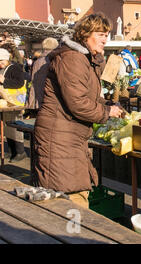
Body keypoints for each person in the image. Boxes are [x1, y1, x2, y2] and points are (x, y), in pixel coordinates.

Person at [34, 13, 123, 208]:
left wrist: (106, 106)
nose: (105, 39)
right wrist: (107, 113)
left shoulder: (84, 59)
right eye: (100, 34)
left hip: (69, 135)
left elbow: (88, 96)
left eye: (106, 34)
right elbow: (78, 103)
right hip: (59, 137)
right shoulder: (73, 59)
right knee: (71, 200)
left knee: (75, 194)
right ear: (85, 34)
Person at [0, 47, 27, 163]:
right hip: (6, 103)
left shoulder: (15, 68)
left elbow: (19, 83)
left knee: (15, 125)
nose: (0, 63)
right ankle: (11, 151)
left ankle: (20, 152)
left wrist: (4, 81)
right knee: (7, 126)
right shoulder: (3, 68)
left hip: (14, 103)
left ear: (7, 59)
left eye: (2, 61)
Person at [25, 37, 60, 113]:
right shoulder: (54, 59)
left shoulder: (38, 61)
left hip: (37, 97)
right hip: (50, 98)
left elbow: (33, 80)